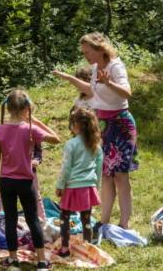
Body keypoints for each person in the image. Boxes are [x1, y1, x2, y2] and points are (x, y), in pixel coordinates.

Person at [58, 32, 138, 233]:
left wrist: (109, 83)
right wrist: (69, 79)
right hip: (103, 125)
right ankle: (103, 221)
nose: (86, 56)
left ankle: (124, 224)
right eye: (83, 53)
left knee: (120, 175)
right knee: (106, 174)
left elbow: (127, 93)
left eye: (88, 52)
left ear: (99, 49)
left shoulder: (115, 66)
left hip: (120, 124)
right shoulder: (95, 68)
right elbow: (92, 91)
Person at [0, 89, 60, 271]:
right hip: (26, 182)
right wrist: (35, 121)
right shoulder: (31, 128)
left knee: (11, 220)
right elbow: (56, 139)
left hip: (6, 181)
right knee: (32, 220)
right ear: (26, 108)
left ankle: (13, 259)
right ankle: (42, 262)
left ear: (8, 108)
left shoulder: (0, 129)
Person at [55, 108, 103, 257]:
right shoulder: (95, 144)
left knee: (64, 217)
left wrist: (60, 185)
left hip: (72, 186)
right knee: (86, 218)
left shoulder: (71, 144)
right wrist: (97, 185)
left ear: (76, 125)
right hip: (88, 187)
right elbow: (99, 166)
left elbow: (66, 167)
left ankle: (64, 248)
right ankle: (87, 247)